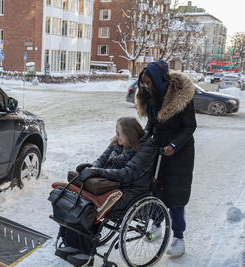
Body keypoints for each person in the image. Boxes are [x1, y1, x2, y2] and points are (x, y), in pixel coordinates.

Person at [56, 117, 157, 266]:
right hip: (109, 185)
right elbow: (101, 159)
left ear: (129, 134)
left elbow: (127, 173)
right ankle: (73, 244)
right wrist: (92, 168)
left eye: (119, 133)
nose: (116, 136)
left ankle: (85, 253)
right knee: (76, 199)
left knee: (88, 208)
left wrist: (100, 172)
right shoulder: (117, 142)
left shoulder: (146, 148)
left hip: (131, 191)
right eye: (115, 132)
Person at [135, 60, 197, 257]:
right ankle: (157, 225)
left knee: (175, 196)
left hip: (180, 154)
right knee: (157, 190)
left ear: (159, 80)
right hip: (159, 151)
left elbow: (190, 126)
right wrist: (142, 138)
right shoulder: (152, 96)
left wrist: (174, 145)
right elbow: (152, 125)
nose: (146, 86)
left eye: (148, 82)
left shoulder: (181, 97)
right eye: (143, 83)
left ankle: (179, 237)